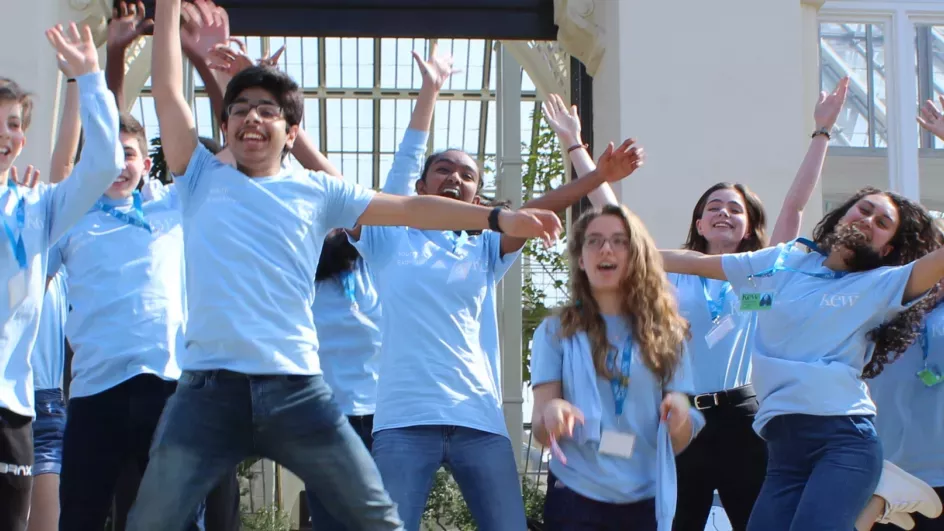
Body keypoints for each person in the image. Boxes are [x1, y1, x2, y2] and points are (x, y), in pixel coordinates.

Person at [126, 1, 561, 528]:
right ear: (226, 125)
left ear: (292, 133)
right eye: (240, 110)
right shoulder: (199, 177)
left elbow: (409, 208)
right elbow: (169, 94)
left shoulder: (317, 190)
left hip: (297, 390)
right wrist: (169, 7)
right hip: (208, 390)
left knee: (377, 520)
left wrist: (494, 218)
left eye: (268, 110)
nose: (252, 118)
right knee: (150, 519)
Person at [349, 86, 643, 531]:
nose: (455, 178)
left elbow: (534, 212)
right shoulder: (389, 238)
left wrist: (595, 176)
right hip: (405, 420)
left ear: (478, 198)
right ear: (421, 186)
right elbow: (393, 177)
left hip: (478, 420)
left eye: (467, 175)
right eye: (443, 169)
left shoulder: (483, 248)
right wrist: (429, 92)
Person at [659, 184, 944, 530]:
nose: (869, 220)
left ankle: (875, 503)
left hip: (842, 439)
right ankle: (873, 505)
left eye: (883, 222)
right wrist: (628, 249)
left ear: (887, 249)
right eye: (864, 209)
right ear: (844, 213)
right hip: (784, 451)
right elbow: (699, 262)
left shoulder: (882, 284)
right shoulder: (784, 261)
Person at [0, 23, 124, 531]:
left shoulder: (37, 209)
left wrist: (91, 78)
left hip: (13, 411)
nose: (6, 136)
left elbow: (103, 164)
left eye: (12, 125)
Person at [530, 204, 706, 531]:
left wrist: (679, 414)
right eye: (594, 241)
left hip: (647, 499)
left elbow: (678, 439)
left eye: (619, 241)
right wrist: (553, 412)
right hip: (574, 494)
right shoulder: (556, 331)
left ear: (636, 255)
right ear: (581, 260)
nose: (606, 248)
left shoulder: (667, 333)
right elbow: (541, 430)